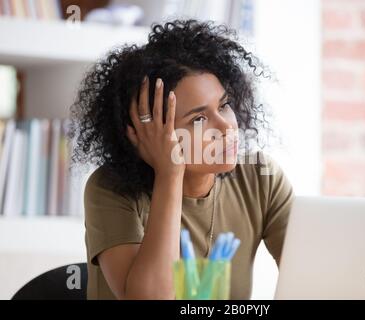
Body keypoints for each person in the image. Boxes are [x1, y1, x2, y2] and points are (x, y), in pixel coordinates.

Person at [69, 19, 294, 300]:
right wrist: (169, 174)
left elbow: (317, 277)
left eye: (223, 106)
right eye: (198, 119)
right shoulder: (110, 189)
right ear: (146, 131)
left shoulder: (261, 178)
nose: (226, 127)